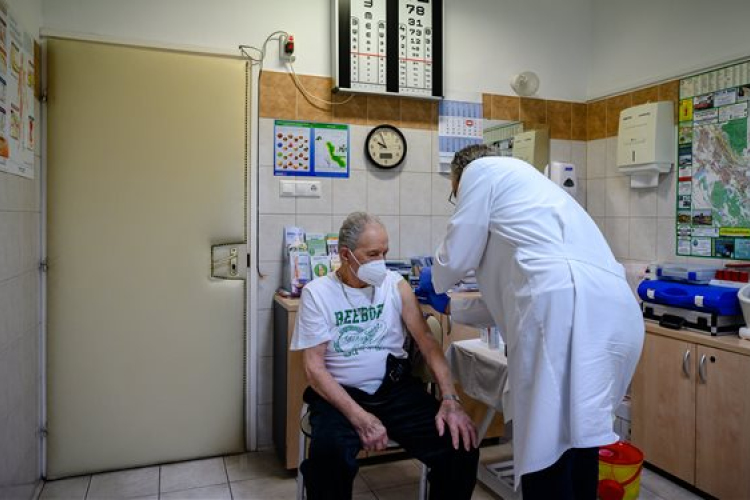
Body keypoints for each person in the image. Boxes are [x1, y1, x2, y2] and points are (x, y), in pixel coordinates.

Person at [417, 144, 644, 500]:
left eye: (455, 195)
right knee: (582, 437)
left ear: (460, 177)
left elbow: (455, 259)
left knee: (546, 443)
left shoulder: (481, 170)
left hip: (562, 311)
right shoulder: (535, 194)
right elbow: (516, 298)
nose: (459, 202)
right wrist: (452, 309)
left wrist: (435, 277)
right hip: (615, 311)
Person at [291, 212, 480, 500]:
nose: (381, 261)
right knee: (329, 460)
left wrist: (450, 399)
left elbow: (428, 343)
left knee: (460, 446)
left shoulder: (395, 285)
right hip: (340, 397)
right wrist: (361, 418)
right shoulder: (318, 294)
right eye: (372, 254)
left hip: (395, 391)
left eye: (385, 253)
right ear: (345, 254)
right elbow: (314, 370)